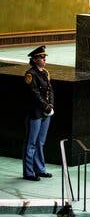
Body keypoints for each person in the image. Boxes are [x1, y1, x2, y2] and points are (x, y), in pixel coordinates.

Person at [22, 45, 54, 181]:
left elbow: (50, 91)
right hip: (35, 113)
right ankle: (29, 172)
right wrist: (46, 107)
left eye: (44, 57)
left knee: (40, 142)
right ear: (35, 60)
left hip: (46, 113)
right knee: (31, 143)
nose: (44, 59)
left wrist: (51, 105)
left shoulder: (45, 73)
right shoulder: (30, 75)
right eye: (41, 57)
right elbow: (34, 94)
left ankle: (40, 169)